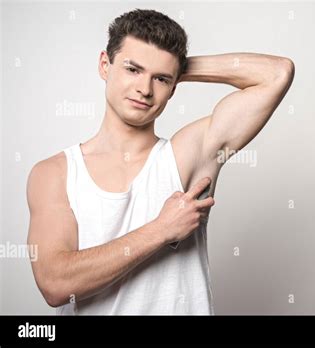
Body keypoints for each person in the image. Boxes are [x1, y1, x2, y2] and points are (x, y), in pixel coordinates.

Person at [26, 9, 294, 315]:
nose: (145, 88)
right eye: (133, 69)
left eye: (161, 79)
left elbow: (278, 73)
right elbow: (55, 283)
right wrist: (160, 229)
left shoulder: (188, 155)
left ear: (174, 87)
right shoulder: (55, 173)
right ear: (105, 65)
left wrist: (179, 66)